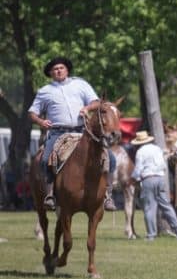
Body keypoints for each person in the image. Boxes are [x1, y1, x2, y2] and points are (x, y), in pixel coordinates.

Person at [28, 57, 116, 211]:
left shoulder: (80, 84)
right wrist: (41, 122)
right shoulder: (44, 91)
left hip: (83, 131)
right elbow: (32, 113)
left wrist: (87, 108)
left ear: (67, 70)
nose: (58, 70)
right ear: (50, 73)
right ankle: (50, 195)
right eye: (55, 69)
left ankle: (108, 195)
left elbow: (96, 101)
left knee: (111, 158)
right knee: (46, 159)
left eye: (61, 68)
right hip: (58, 132)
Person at [130, 131, 177, 240]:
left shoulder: (140, 152)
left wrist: (133, 179)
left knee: (149, 208)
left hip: (148, 179)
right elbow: (163, 165)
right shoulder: (157, 149)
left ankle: (151, 235)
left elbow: (138, 168)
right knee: (166, 205)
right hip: (160, 178)